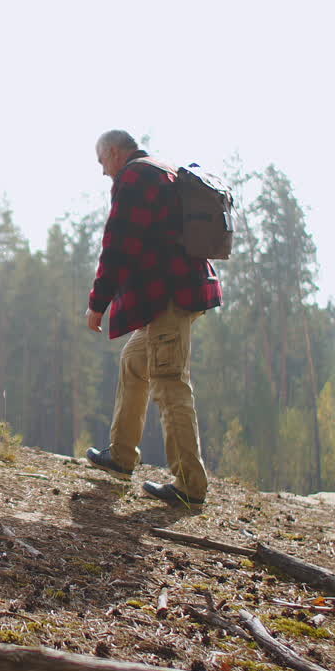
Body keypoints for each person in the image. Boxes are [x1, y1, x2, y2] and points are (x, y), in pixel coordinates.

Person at [83, 130, 222, 507]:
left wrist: (98, 302)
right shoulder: (164, 170)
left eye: (101, 162)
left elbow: (118, 243)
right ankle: (121, 456)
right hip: (180, 292)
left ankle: (191, 487)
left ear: (113, 152)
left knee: (169, 381)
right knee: (134, 361)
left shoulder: (135, 177)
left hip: (169, 296)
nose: (103, 172)